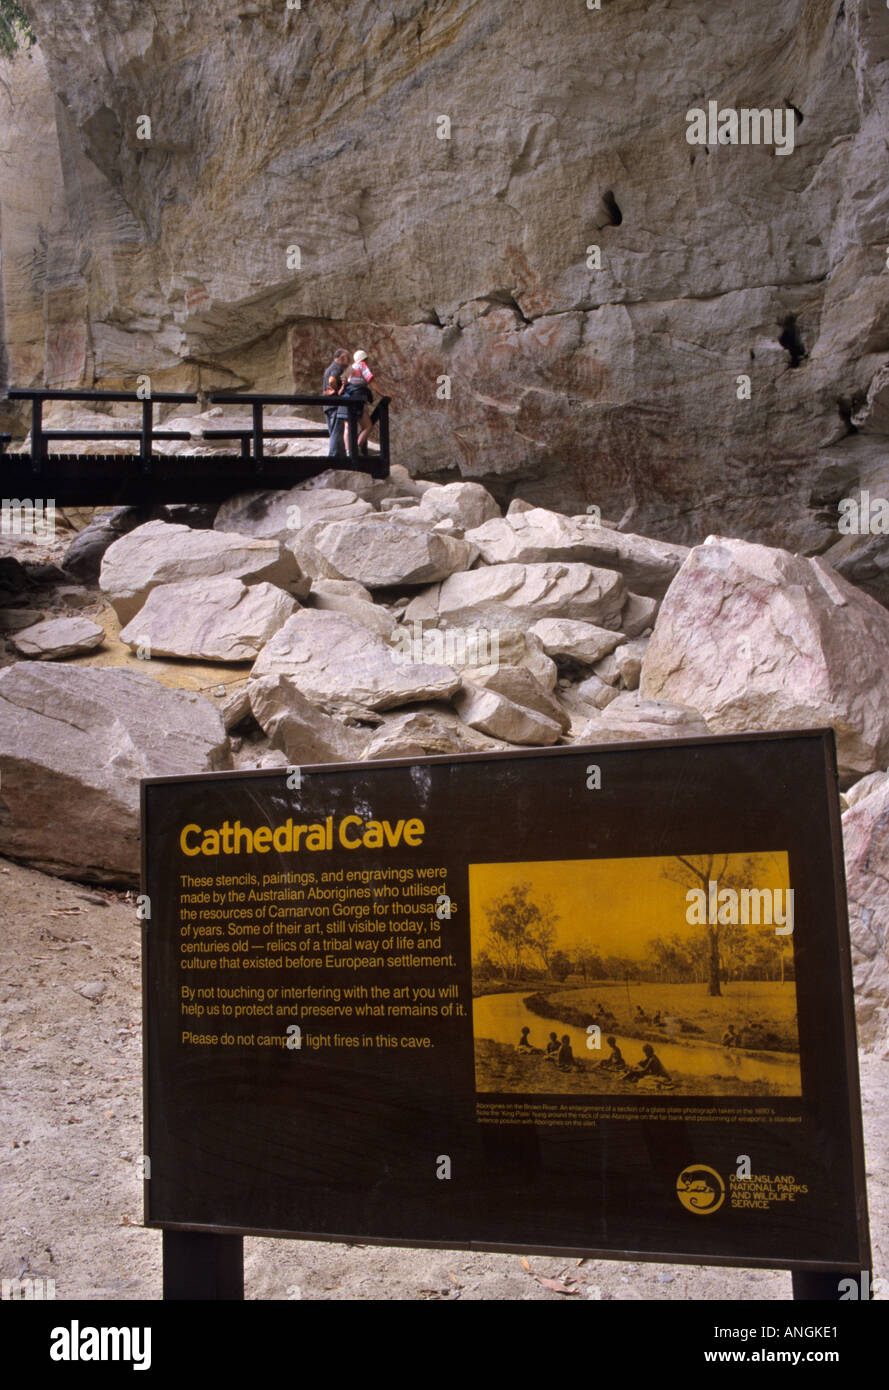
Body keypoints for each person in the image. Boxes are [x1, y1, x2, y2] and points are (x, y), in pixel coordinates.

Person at [339, 349, 376, 456]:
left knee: (347, 426)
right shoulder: (362, 365)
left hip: (346, 398)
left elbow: (343, 379)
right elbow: (371, 380)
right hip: (357, 399)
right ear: (364, 359)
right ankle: (357, 447)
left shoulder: (351, 367)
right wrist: (382, 393)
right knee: (368, 426)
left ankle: (348, 451)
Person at [322, 349, 350, 458]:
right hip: (334, 404)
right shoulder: (337, 367)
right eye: (348, 357)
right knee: (337, 432)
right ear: (342, 358)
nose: (349, 360)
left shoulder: (329, 368)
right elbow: (331, 380)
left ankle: (337, 456)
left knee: (333, 431)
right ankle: (334, 458)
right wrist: (337, 392)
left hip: (327, 405)